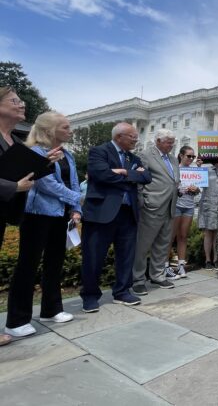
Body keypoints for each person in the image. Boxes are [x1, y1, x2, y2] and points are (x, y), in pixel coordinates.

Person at [4, 112, 81, 338]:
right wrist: (76, 198)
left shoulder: (68, 154)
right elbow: (47, 184)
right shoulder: (36, 152)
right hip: (38, 214)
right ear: (50, 130)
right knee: (28, 265)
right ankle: (16, 320)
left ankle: (51, 309)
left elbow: (74, 181)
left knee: (54, 263)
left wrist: (76, 208)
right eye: (65, 127)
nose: (70, 130)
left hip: (61, 214)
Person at [0, 87, 62, 345]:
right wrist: (13, 187)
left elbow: (17, 172)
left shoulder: (14, 138)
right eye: (15, 101)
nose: (21, 104)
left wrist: (42, 164)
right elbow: (12, 180)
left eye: (21, 101)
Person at [80, 123, 151, 312]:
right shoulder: (99, 151)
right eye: (132, 137)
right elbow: (101, 175)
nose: (136, 140)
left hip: (128, 213)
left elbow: (147, 177)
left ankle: (122, 291)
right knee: (93, 256)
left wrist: (124, 172)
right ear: (119, 136)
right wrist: (133, 176)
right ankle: (90, 295)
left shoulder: (133, 157)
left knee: (126, 255)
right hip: (101, 213)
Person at [132, 130, 179, 296]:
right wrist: (143, 200)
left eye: (173, 142)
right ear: (158, 141)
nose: (171, 145)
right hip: (151, 207)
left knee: (162, 244)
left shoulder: (173, 159)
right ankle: (137, 279)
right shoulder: (145, 155)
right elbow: (138, 180)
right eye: (169, 142)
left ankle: (157, 275)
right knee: (143, 245)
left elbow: (173, 182)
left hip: (170, 207)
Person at [170, 145, 201, 278]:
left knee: (183, 236)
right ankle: (166, 266)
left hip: (189, 206)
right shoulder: (175, 169)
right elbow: (171, 187)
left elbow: (200, 190)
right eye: (189, 156)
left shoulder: (195, 171)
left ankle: (181, 265)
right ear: (181, 156)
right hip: (176, 205)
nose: (191, 158)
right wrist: (179, 189)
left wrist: (196, 189)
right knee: (171, 237)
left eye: (193, 156)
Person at [198, 151, 218, 269]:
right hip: (208, 205)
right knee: (208, 233)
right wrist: (198, 167)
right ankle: (207, 260)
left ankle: (216, 258)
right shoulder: (206, 170)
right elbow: (196, 181)